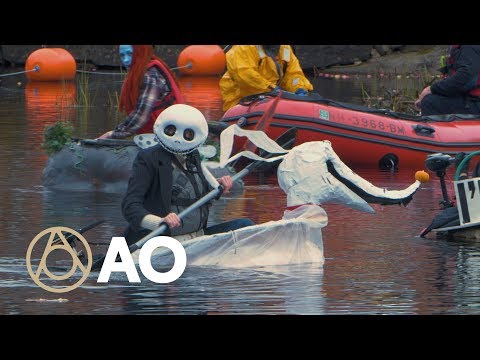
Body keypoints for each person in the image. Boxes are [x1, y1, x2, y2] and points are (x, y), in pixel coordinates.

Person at [121, 103, 255, 245]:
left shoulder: (192, 155)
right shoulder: (149, 158)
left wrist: (217, 186)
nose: (178, 139)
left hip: (196, 236)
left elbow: (194, 195)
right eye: (171, 131)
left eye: (188, 134)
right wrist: (159, 221)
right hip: (165, 240)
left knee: (245, 224)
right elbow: (130, 206)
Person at [98, 45, 185, 139]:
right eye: (122, 56)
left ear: (140, 52)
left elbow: (141, 115)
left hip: (171, 137)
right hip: (156, 136)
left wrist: (112, 134)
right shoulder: (141, 72)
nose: (126, 60)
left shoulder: (150, 75)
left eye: (130, 54)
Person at [219, 45, 314, 111]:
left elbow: (293, 74)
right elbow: (245, 75)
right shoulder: (244, 48)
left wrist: (299, 88)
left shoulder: (284, 49)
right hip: (241, 100)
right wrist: (271, 89)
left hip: (273, 99)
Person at [415, 45, 480, 116]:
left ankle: (432, 126)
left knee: (429, 102)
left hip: (475, 102)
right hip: (469, 98)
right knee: (430, 99)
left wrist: (432, 89)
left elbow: (466, 79)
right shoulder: (457, 48)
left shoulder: (470, 47)